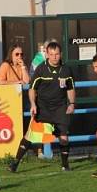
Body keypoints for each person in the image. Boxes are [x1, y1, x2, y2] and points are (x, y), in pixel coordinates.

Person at [19, 42, 75, 172]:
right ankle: (14, 164)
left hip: (60, 108)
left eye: (57, 54)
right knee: (30, 136)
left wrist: (72, 104)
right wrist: (33, 104)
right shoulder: (41, 69)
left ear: (61, 54)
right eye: (51, 54)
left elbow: (70, 88)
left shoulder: (66, 70)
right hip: (43, 108)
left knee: (64, 138)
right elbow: (32, 89)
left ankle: (65, 165)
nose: (54, 57)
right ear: (47, 55)